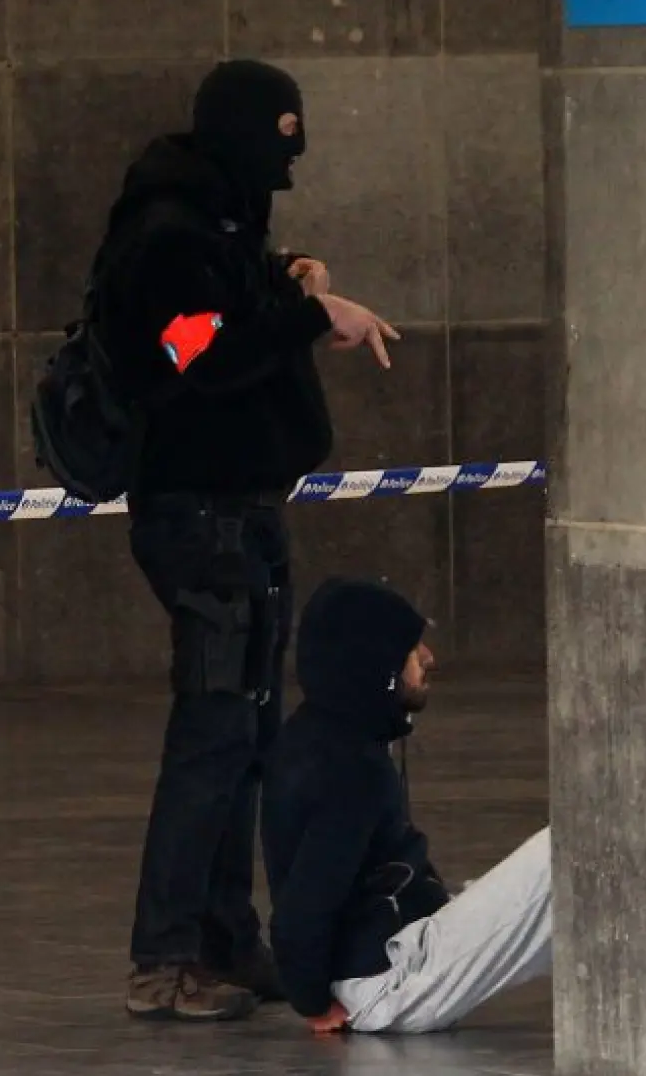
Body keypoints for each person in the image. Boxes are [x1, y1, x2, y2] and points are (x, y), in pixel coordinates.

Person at [96, 59, 402, 1021]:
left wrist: (281, 277)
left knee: (247, 737)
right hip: (201, 518)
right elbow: (195, 348)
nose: (283, 179)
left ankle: (227, 940)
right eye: (278, 151)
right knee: (214, 735)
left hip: (242, 510)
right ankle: (167, 955)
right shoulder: (168, 232)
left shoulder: (218, 224)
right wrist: (310, 312)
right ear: (243, 140)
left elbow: (225, 306)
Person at [261, 578, 553, 1035]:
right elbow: (301, 909)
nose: (430, 658)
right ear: (378, 667)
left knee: (562, 890)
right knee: (565, 856)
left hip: (391, 958)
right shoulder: (349, 769)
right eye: (414, 650)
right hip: (385, 982)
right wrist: (314, 1003)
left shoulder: (323, 737)